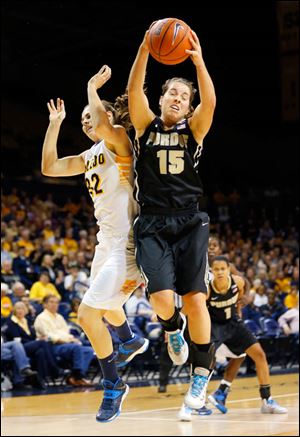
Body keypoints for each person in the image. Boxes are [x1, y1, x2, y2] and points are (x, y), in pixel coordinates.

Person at [41, 65, 148, 422]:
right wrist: (56, 125)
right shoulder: (89, 156)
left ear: (110, 116)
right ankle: (129, 339)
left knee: (88, 315)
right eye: (84, 119)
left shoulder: (119, 140)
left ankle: (114, 385)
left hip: (125, 244)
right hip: (105, 244)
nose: (88, 122)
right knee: (107, 307)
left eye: (93, 115)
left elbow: (103, 125)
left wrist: (90, 86)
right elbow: (50, 168)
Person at [127, 27, 216, 409]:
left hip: (190, 221)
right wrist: (146, 48)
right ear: (160, 98)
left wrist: (198, 63)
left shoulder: (193, 129)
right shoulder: (145, 128)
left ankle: (200, 375)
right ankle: (170, 328)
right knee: (163, 300)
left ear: (188, 105)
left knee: (196, 299)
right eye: (172, 93)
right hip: (152, 223)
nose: (178, 98)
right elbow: (133, 91)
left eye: (184, 96)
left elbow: (210, 101)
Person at [207, 256, 287, 414]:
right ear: (211, 271)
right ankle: (197, 400)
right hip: (214, 326)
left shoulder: (238, 282)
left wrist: (238, 311)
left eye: (223, 269)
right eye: (217, 269)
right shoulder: (207, 288)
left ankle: (267, 400)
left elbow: (241, 293)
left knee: (259, 355)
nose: (220, 272)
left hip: (233, 323)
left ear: (229, 269)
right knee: (205, 362)